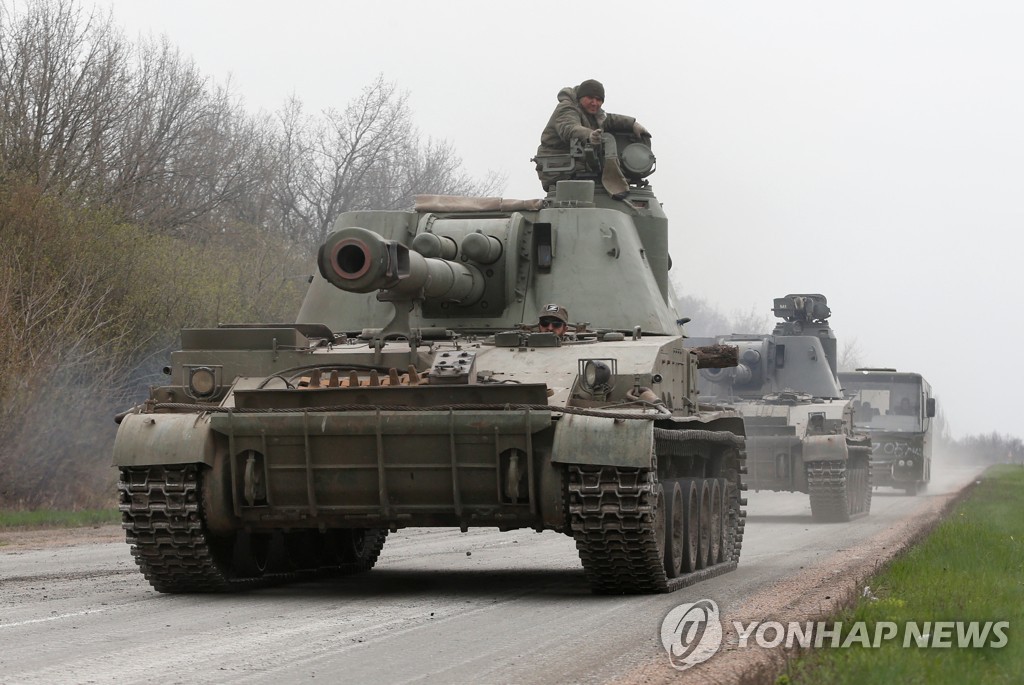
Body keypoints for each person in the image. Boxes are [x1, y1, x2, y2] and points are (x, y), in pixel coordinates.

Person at [534, 79, 650, 198]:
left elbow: (608, 119)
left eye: (598, 99)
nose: (594, 103)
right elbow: (569, 128)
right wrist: (589, 135)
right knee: (606, 141)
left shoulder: (593, 112)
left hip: (579, 165)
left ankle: (615, 181)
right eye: (590, 98)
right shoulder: (567, 108)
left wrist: (632, 124)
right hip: (559, 167)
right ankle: (614, 183)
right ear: (580, 97)